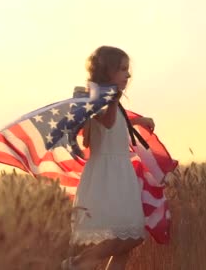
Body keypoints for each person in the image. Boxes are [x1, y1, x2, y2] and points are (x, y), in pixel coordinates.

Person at [62, 46, 156, 270]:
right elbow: (106, 122)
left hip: (116, 174)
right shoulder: (104, 99)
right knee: (129, 238)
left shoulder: (100, 100)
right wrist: (110, 98)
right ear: (108, 71)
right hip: (109, 178)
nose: (128, 75)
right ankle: (75, 264)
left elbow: (113, 126)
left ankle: (76, 264)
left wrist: (139, 121)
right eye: (122, 69)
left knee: (128, 242)